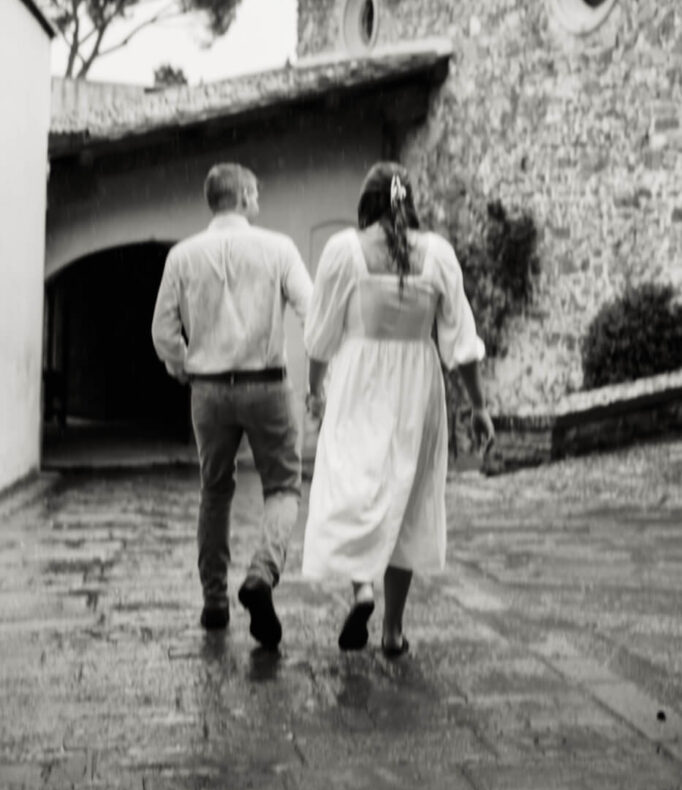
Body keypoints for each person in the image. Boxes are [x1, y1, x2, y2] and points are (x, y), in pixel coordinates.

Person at [302, 161, 494, 657]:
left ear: (366, 204)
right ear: (410, 202)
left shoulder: (344, 250)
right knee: (405, 495)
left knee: (356, 484)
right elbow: (461, 341)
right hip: (418, 384)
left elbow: (321, 337)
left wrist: (315, 389)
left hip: (358, 379)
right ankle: (392, 630)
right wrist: (477, 406)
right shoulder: (439, 254)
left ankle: (362, 586)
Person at [151, 163, 312, 650]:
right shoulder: (278, 248)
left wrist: (184, 366)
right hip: (266, 386)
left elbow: (162, 330)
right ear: (241, 195)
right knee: (283, 487)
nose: (258, 202)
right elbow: (313, 310)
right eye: (256, 194)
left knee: (215, 490)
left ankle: (215, 602)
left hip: (209, 390)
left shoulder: (182, 255)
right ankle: (262, 573)